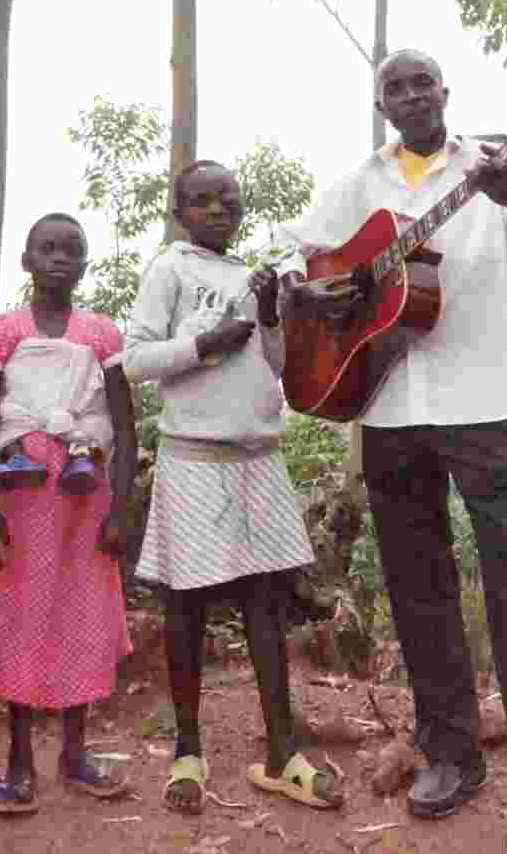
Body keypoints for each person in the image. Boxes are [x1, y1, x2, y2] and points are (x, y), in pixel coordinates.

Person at [277, 50, 507, 839]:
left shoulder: (499, 155)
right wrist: (307, 283)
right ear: (383, 102)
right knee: (419, 592)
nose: (411, 94)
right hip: (389, 409)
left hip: (484, 401)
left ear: (445, 92)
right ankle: (451, 751)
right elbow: (293, 250)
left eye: (424, 81)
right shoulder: (361, 183)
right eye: (395, 85)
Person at [123, 160, 344, 815]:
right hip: (193, 457)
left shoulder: (255, 276)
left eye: (229, 199)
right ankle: (187, 751)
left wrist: (272, 317)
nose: (219, 208)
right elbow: (134, 359)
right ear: (179, 209)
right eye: (203, 200)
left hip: (258, 457)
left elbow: (275, 367)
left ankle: (284, 752)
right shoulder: (170, 267)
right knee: (185, 606)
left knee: (265, 605)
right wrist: (204, 341)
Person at [0, 213, 137, 814]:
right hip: (21, 498)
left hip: (84, 496)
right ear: (26, 260)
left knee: (81, 617)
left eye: (73, 250)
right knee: (21, 617)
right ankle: (18, 760)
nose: (61, 259)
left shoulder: (101, 335)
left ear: (85, 264)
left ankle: (74, 752)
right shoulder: (1, 333)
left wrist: (119, 511)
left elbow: (124, 426)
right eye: (49, 248)